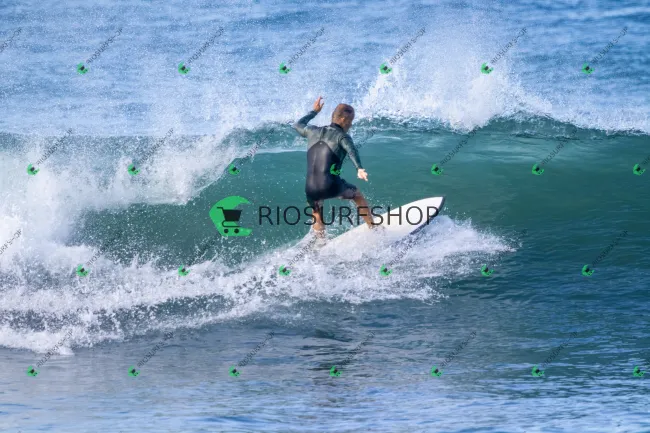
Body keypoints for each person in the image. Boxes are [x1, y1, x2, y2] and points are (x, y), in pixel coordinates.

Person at [293, 96, 377, 237]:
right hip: (330, 185)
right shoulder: (342, 136)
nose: (351, 125)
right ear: (343, 120)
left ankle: (320, 242)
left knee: (316, 212)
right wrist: (359, 168)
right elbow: (351, 150)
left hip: (310, 187)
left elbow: (297, 124)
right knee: (356, 195)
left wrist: (314, 112)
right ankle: (374, 229)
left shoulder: (312, 130)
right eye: (350, 121)